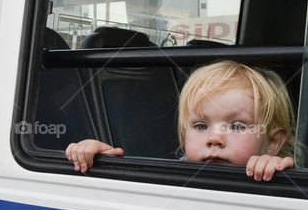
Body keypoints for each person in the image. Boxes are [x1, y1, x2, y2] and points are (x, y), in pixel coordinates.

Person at [66, 60, 296, 181]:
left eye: (237, 126)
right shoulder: (175, 173)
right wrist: (103, 160)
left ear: (273, 141)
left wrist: (276, 172)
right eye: (201, 126)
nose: (214, 138)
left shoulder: (270, 175)